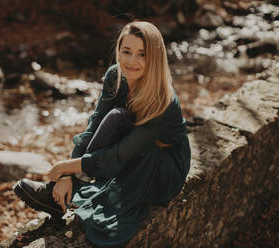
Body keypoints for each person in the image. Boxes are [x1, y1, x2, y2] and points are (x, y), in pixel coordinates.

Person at [13, 20, 191, 247]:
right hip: (134, 149)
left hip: (163, 166)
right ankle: (60, 196)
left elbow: (120, 155)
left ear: (154, 59)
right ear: (119, 50)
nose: (132, 61)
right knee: (117, 116)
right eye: (127, 52)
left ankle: (61, 198)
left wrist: (64, 167)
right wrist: (67, 174)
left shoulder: (163, 101)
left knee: (120, 154)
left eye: (142, 55)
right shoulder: (115, 77)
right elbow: (94, 126)